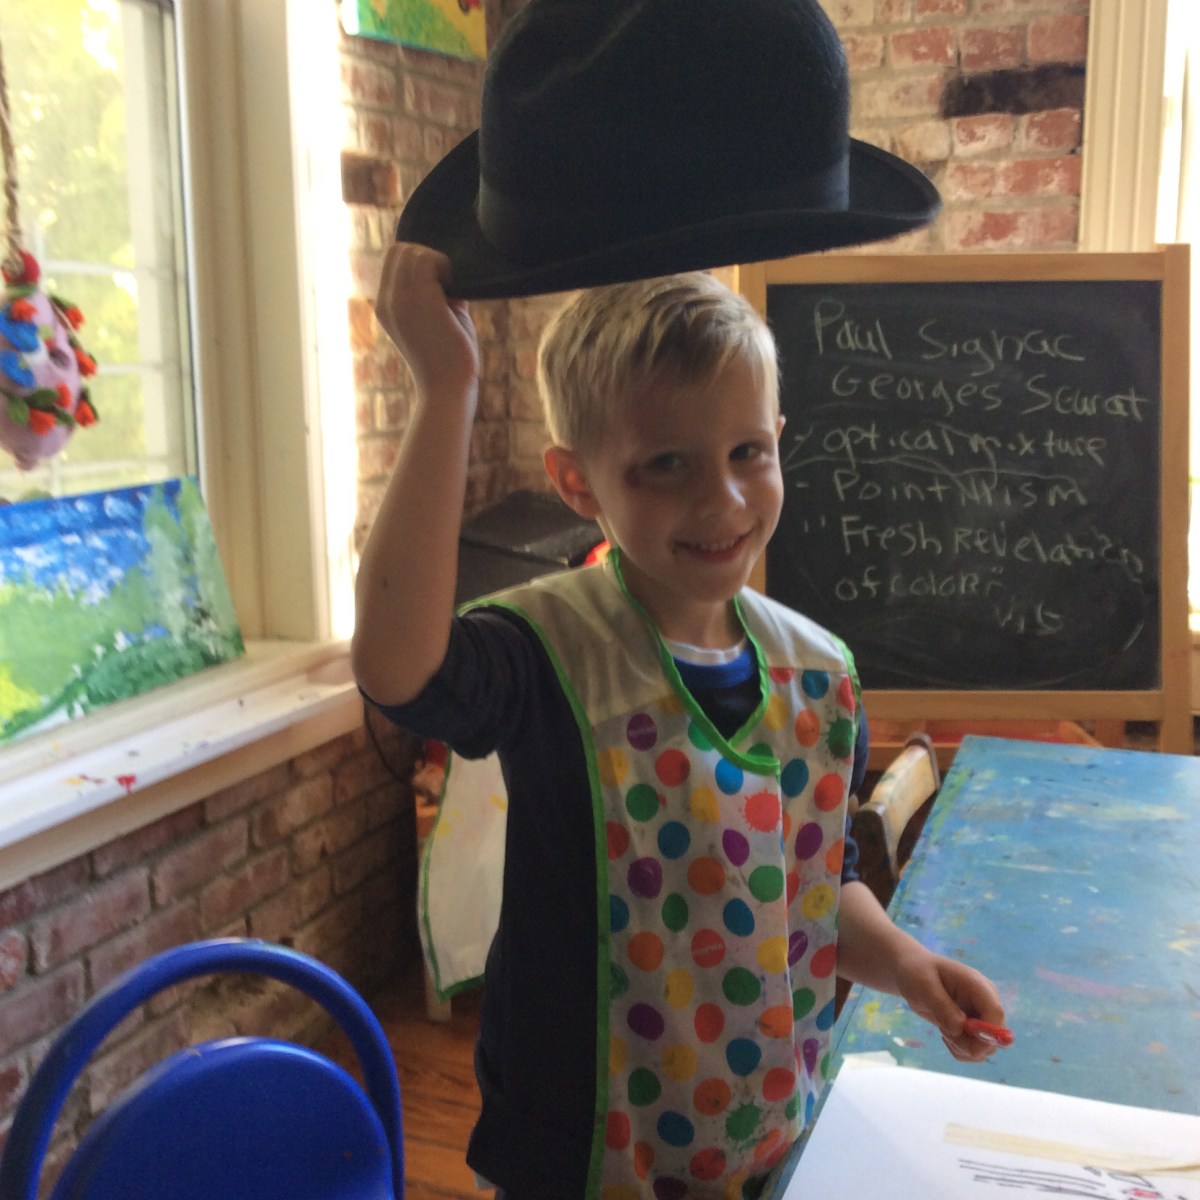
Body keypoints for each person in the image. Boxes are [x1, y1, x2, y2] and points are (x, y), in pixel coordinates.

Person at [352, 250, 1006, 1200]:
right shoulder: (543, 654)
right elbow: (398, 670)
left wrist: (909, 966)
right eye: (666, 464)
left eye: (748, 453)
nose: (722, 499)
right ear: (577, 482)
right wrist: (445, 388)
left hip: (760, 1134)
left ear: (780, 440)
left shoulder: (818, 677)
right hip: (577, 1156)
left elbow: (818, 885)